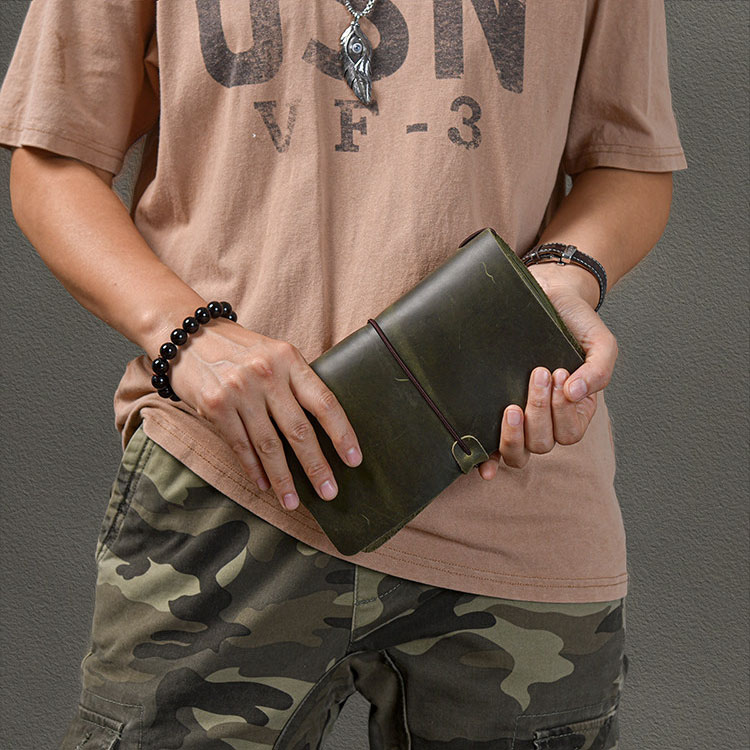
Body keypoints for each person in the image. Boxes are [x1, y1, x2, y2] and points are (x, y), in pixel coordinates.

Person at [0, 1, 687, 747]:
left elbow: (628, 159)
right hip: (227, 483)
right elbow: (54, 160)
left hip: (515, 496)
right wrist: (188, 336)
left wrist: (562, 277)